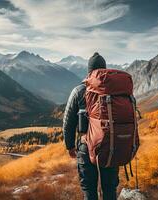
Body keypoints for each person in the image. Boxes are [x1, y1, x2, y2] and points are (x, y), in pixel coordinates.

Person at [63, 52, 119, 200]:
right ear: (105, 70)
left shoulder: (79, 90)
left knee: (89, 189)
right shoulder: (116, 90)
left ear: (89, 71)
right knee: (109, 188)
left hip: (86, 146)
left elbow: (68, 122)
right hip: (110, 145)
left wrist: (69, 146)